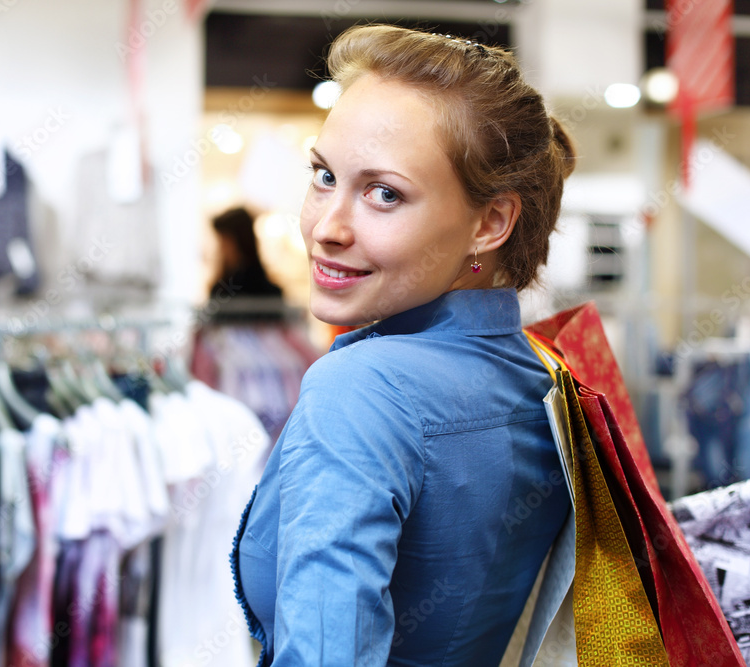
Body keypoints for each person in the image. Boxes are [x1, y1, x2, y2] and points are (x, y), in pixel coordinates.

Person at [230, 24, 577, 666]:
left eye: (384, 193)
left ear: (490, 222)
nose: (327, 229)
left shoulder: (360, 390)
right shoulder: (543, 372)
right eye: (324, 175)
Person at [210, 206, 284, 300]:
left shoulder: (223, 291)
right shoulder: (221, 289)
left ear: (240, 243)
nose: (221, 249)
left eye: (224, 242)